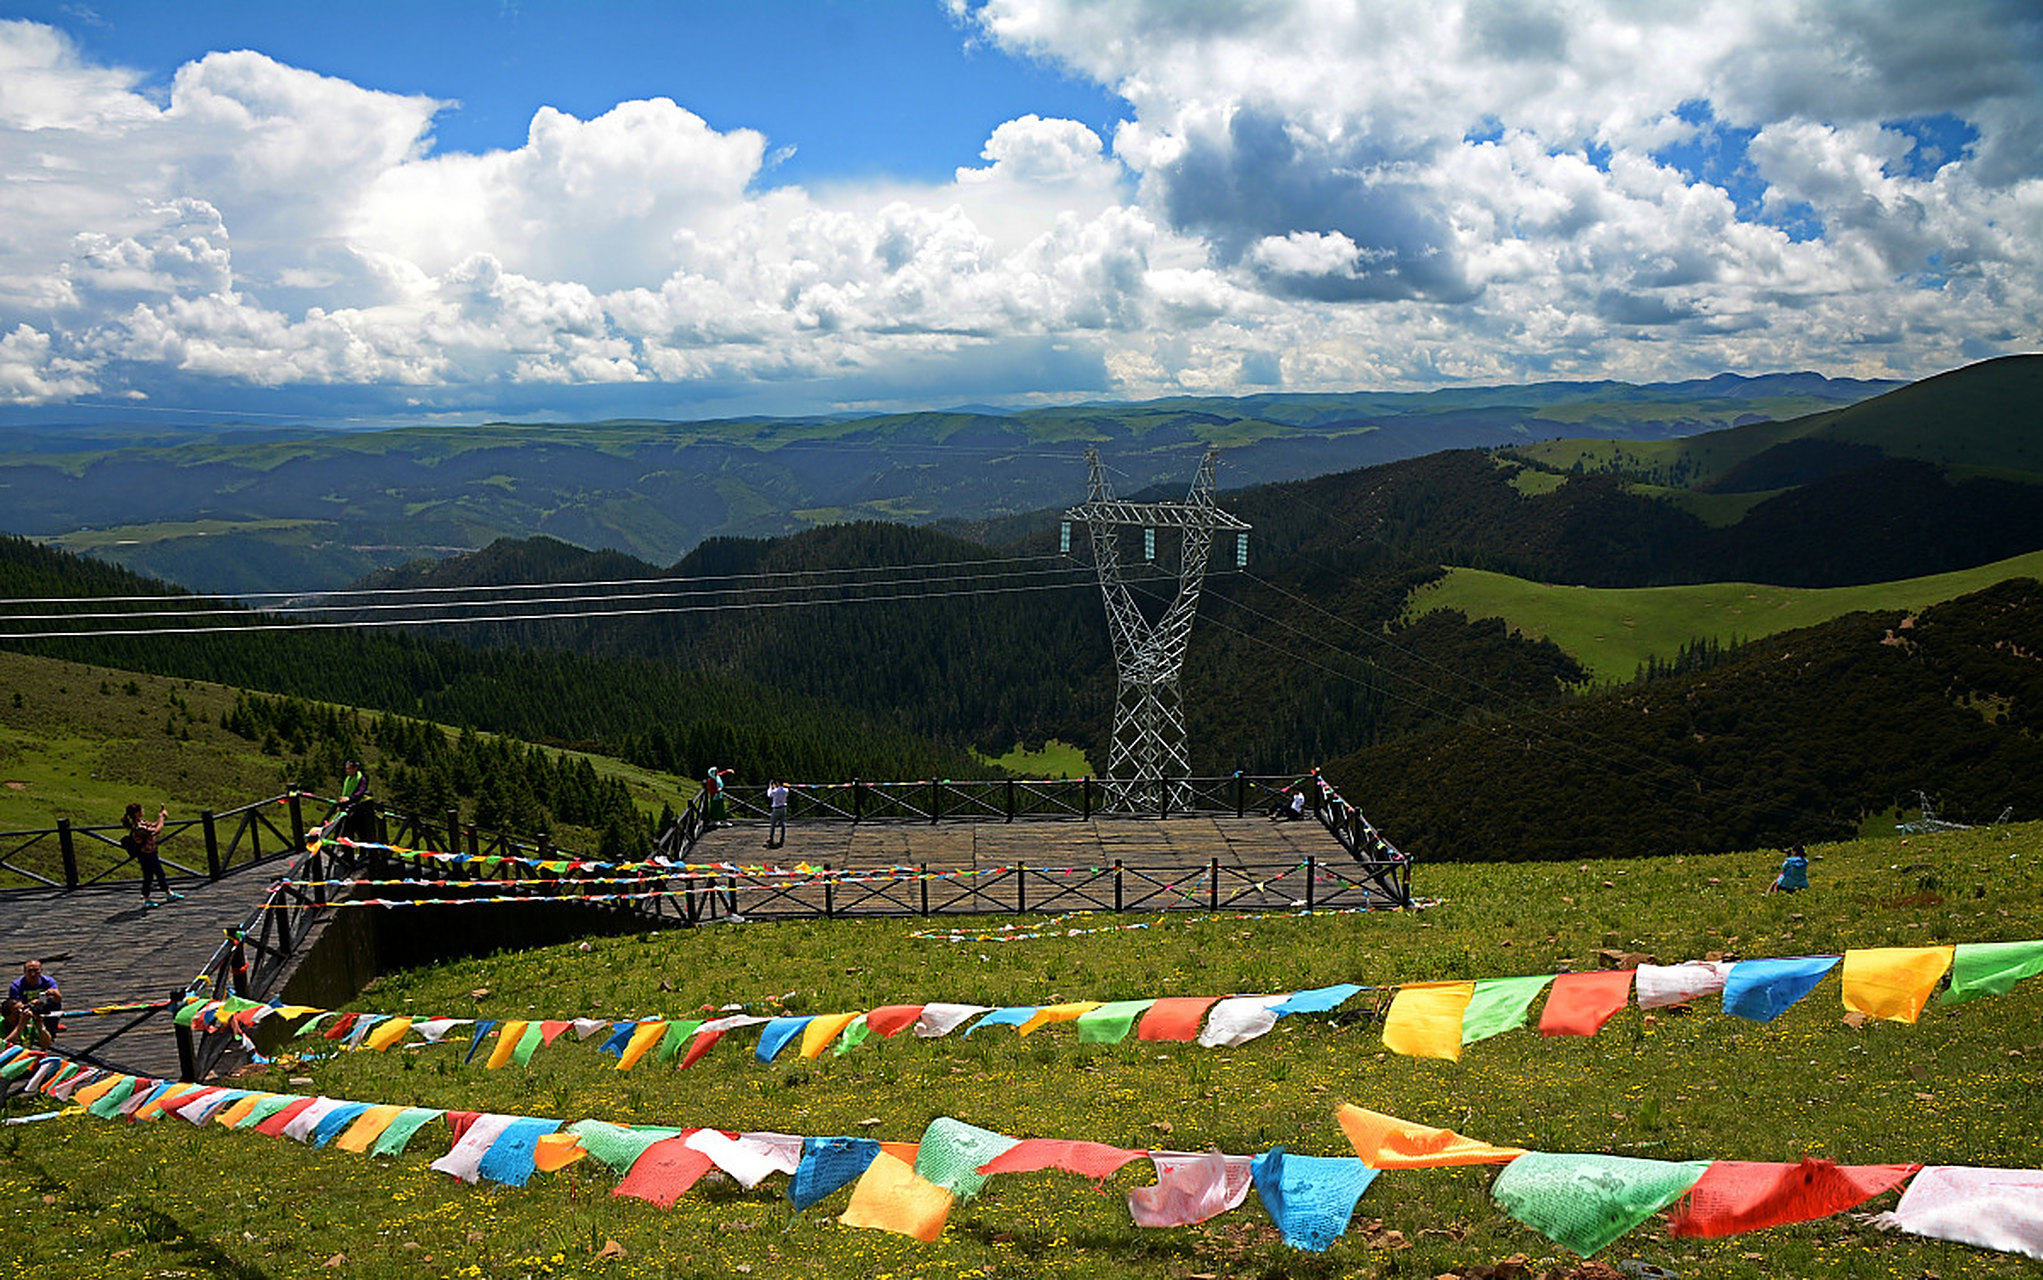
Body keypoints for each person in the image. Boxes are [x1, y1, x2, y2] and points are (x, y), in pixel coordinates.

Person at [123, 801, 180, 907]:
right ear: (137, 813)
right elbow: (155, 830)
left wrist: (160, 817)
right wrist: (162, 818)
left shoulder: (141, 822)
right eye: (141, 809)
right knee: (152, 875)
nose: (143, 811)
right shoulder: (139, 826)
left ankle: (166, 893)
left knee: (154, 874)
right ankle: (148, 897)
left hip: (149, 852)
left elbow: (153, 825)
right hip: (145, 853)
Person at [3, 959, 62, 1049]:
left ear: (41, 971)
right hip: (26, 1008)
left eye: (36, 970)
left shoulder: (48, 981)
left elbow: (47, 1045)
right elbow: (14, 1005)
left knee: (54, 1004)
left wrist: (40, 1026)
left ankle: (52, 1027)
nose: (33, 974)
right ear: (24, 972)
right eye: (30, 971)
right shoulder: (17, 985)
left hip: (43, 1008)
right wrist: (22, 1022)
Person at [766, 778, 790, 848]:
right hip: (783, 808)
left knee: (773, 825)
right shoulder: (786, 790)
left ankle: (771, 839)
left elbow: (769, 795)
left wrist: (770, 787)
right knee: (783, 824)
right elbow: (785, 789)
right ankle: (782, 839)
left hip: (776, 808)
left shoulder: (775, 791)